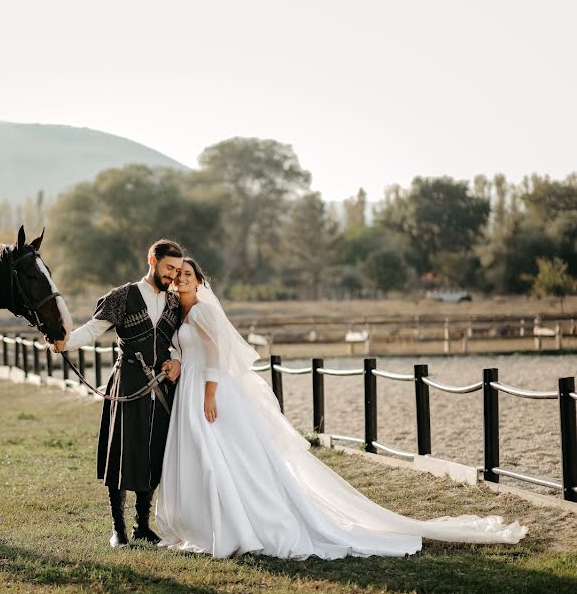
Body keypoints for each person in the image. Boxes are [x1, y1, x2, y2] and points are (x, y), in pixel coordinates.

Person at [155, 258, 527, 559]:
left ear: (200, 281)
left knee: (222, 458)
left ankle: (237, 524)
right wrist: (175, 362)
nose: (182, 279)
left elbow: (217, 354)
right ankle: (204, 523)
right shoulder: (182, 314)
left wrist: (209, 393)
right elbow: (188, 351)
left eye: (189, 274)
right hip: (190, 385)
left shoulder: (202, 312)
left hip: (210, 391)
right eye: (178, 276)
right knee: (203, 457)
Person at [51, 239, 184, 548]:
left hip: (163, 385)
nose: (172, 275)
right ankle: (118, 530)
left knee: (153, 452)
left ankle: (142, 525)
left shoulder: (175, 302)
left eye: (177, 270)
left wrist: (176, 359)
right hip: (128, 382)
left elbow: (180, 340)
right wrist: (63, 342)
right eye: (168, 268)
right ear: (152, 259)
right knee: (122, 453)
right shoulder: (121, 297)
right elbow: (91, 330)